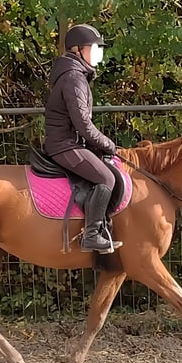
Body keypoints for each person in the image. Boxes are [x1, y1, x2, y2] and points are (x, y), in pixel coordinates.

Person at [44, 23, 123, 254]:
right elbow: (84, 125)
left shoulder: (75, 75)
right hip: (64, 145)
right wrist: (108, 144)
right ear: (78, 50)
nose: (98, 53)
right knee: (106, 178)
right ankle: (91, 235)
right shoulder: (73, 78)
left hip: (69, 142)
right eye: (94, 48)